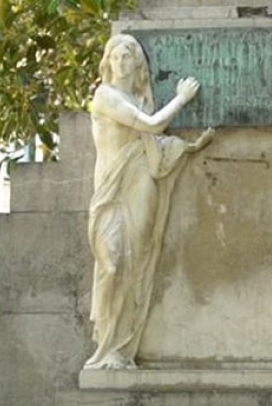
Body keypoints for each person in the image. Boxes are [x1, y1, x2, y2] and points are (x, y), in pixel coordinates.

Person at [85, 34, 214, 370]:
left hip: (141, 181)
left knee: (137, 261)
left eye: (128, 56)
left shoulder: (141, 98)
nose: (121, 62)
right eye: (116, 56)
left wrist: (187, 147)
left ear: (138, 63)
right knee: (111, 264)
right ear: (108, 62)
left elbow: (153, 148)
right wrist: (181, 99)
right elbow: (153, 126)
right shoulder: (105, 96)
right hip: (111, 191)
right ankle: (105, 343)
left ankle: (121, 349)